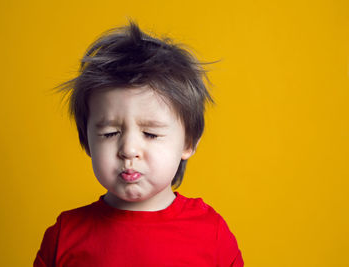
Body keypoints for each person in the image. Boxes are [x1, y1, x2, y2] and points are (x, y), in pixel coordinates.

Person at [34, 21, 244, 267]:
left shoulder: (212, 235)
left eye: (151, 134)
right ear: (87, 141)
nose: (128, 150)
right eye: (110, 133)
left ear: (188, 143)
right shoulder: (65, 236)